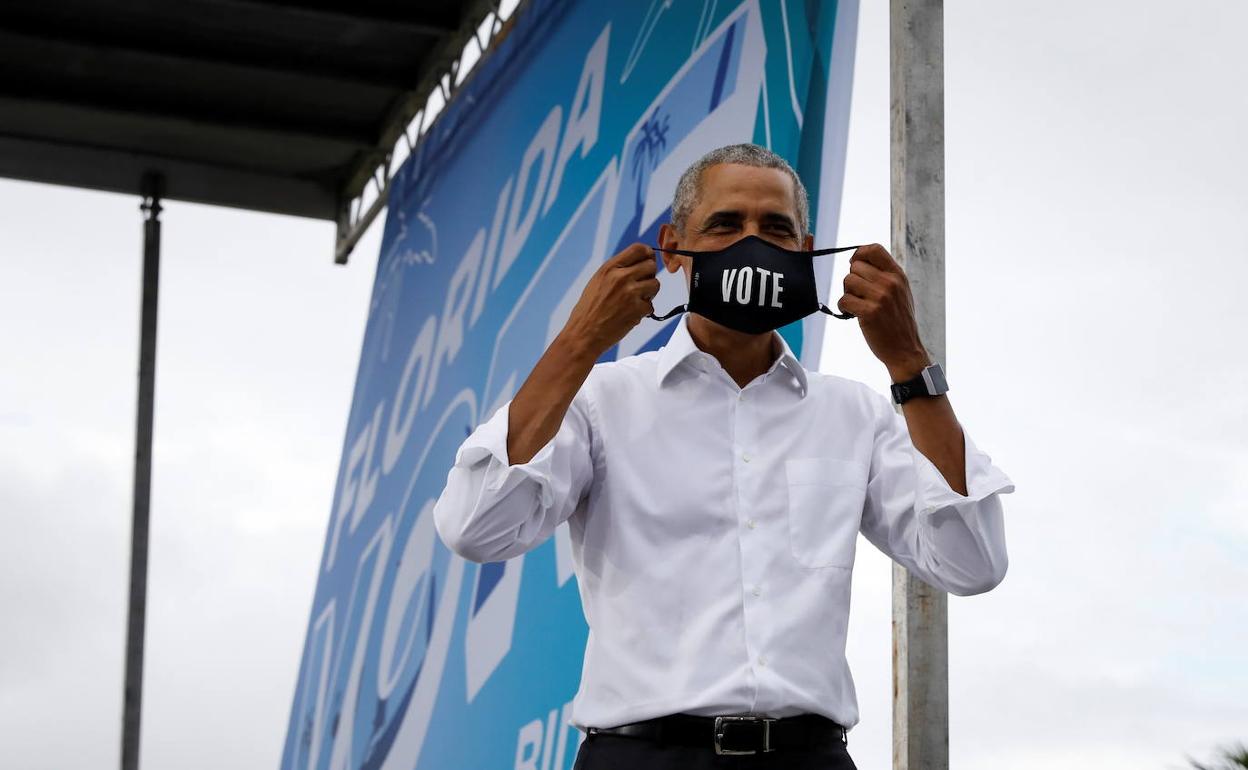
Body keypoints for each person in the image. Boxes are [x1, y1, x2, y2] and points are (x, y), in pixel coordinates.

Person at [432, 143, 1014, 769]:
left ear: (805, 248)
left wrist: (908, 362)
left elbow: (972, 562)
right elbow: (475, 529)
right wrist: (580, 342)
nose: (752, 244)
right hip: (642, 757)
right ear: (674, 247)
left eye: (776, 228)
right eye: (726, 224)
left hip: (808, 758)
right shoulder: (601, 400)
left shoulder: (857, 414)